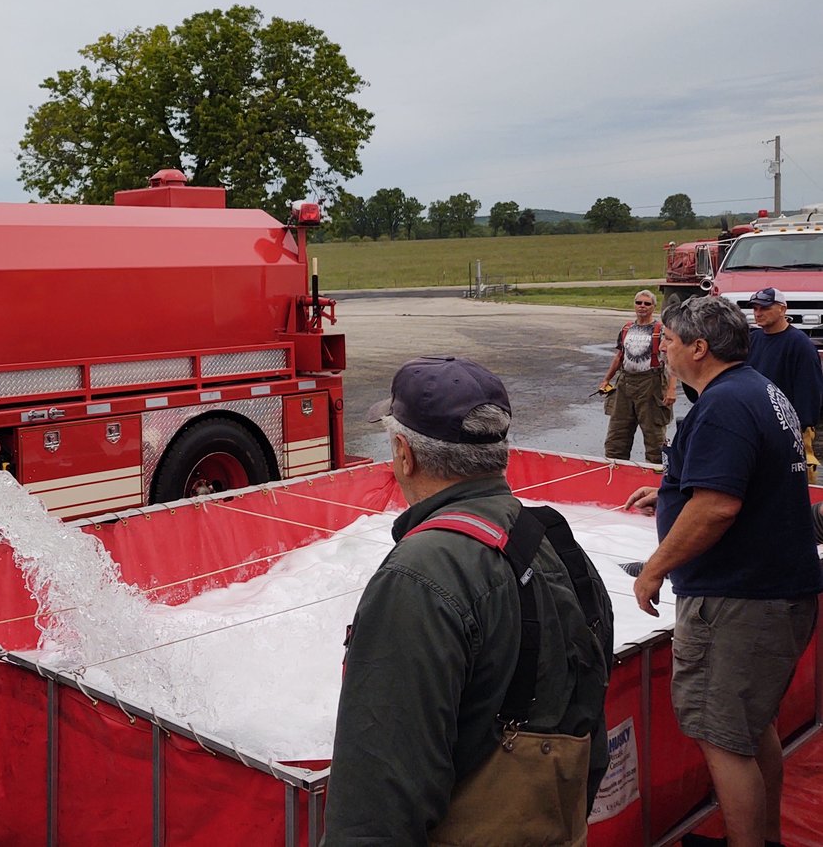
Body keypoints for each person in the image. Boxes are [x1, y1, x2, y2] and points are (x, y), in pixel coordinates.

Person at [324, 356, 614, 846]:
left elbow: (378, 796)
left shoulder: (419, 576)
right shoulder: (559, 543)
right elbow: (592, 729)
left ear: (404, 453)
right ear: (497, 452)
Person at [624, 296, 821, 847]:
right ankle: (766, 839)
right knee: (751, 726)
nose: (662, 349)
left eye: (668, 341)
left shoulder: (724, 405)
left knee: (723, 737)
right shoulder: (757, 390)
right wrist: (670, 491)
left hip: (740, 602)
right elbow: (731, 485)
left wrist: (653, 571)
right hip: (771, 592)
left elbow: (717, 507)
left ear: (698, 347)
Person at [746, 286, 823, 482]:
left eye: (764, 308)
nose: (758, 313)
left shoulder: (800, 344)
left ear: (782, 309)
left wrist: (802, 426)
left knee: (795, 482)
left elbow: (810, 390)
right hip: (757, 424)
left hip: (790, 427)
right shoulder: (754, 339)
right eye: (755, 308)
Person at [599, 289, 677, 464]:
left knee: (655, 438)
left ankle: (657, 480)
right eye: (639, 303)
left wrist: (672, 389)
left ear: (653, 307)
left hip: (652, 384)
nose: (642, 307)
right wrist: (606, 379)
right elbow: (619, 356)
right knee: (616, 437)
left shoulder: (661, 330)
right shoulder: (627, 328)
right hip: (625, 383)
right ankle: (615, 475)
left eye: (647, 304)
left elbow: (671, 361)